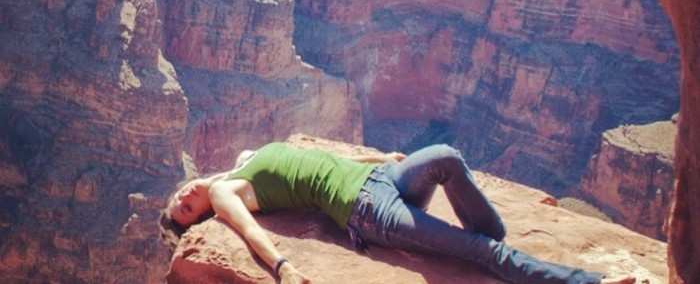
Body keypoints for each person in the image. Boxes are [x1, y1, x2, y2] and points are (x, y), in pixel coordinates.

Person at [160, 142, 635, 284]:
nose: (187, 193)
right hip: (369, 214)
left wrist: (380, 161)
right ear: (201, 215)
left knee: (447, 157)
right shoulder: (227, 196)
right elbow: (247, 233)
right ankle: (587, 282)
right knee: (481, 252)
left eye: (179, 194)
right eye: (186, 207)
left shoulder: (242, 161)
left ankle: (491, 245)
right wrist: (283, 267)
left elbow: (320, 160)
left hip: (382, 180)